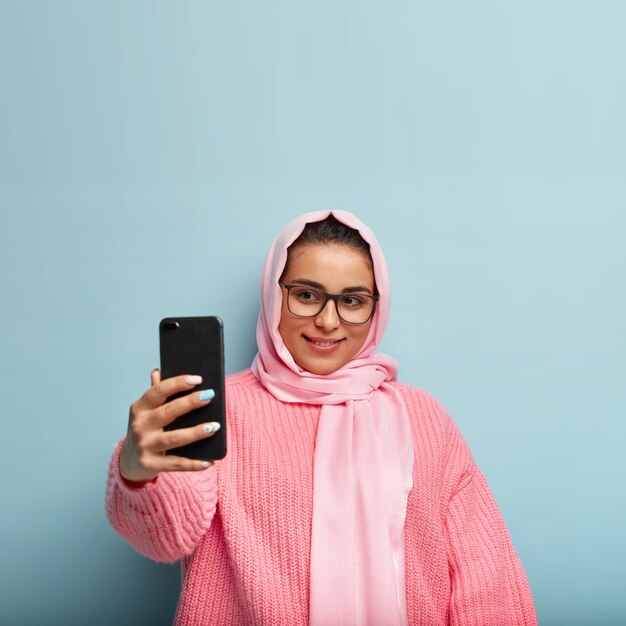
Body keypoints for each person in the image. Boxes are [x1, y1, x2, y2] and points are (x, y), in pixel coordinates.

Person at [105, 210, 537, 626]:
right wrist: (138, 471)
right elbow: (165, 538)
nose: (328, 321)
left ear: (376, 308)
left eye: (351, 300)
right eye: (307, 295)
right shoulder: (219, 410)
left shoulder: (422, 417)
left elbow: (486, 578)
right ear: (275, 295)